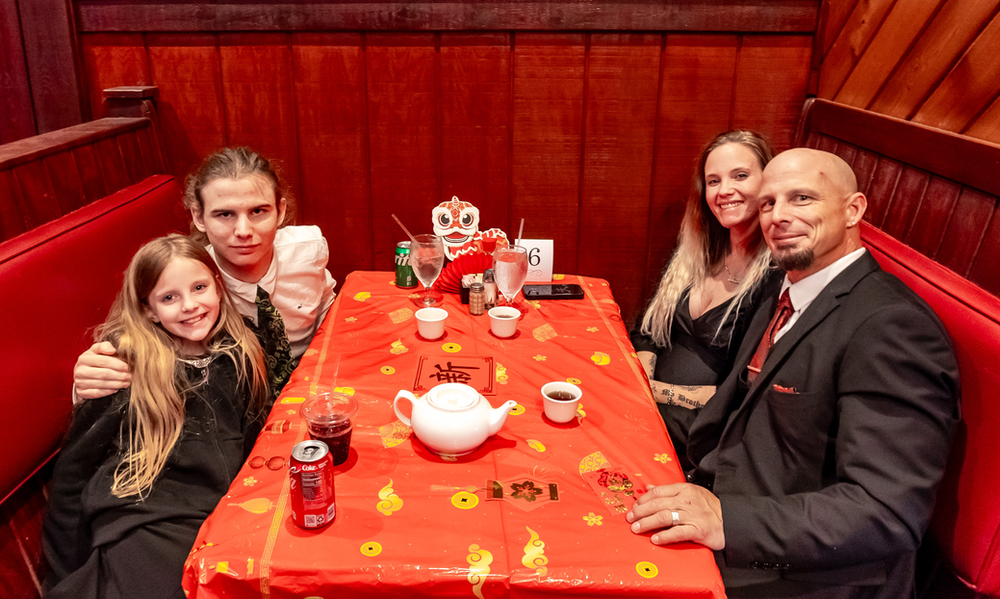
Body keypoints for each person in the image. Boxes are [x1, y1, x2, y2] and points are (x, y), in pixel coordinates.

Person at [626, 148, 960, 598]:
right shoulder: (784, 290)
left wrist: (727, 520)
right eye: (768, 203)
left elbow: (887, 512)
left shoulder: (892, 326)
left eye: (802, 198)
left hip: (803, 571)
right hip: (727, 496)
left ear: (853, 209)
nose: (778, 216)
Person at [43, 234, 271, 599]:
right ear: (148, 309)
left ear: (217, 286)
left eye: (199, 287)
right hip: (142, 517)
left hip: (219, 512)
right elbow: (75, 466)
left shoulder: (240, 348)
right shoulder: (125, 365)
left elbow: (257, 435)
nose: (190, 306)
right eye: (169, 298)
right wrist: (60, 572)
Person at [72, 147, 337, 399]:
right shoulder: (187, 278)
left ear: (280, 211)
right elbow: (131, 337)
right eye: (225, 214)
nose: (243, 231)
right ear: (199, 217)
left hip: (314, 382)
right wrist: (89, 378)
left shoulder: (307, 250)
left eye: (258, 211)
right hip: (237, 400)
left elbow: (330, 311)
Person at [631, 130, 781, 467]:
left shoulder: (775, 279)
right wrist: (641, 376)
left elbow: (744, 394)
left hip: (701, 433)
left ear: (769, 182)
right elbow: (649, 329)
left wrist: (655, 393)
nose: (724, 190)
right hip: (647, 403)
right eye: (713, 181)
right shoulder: (700, 252)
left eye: (740, 176)